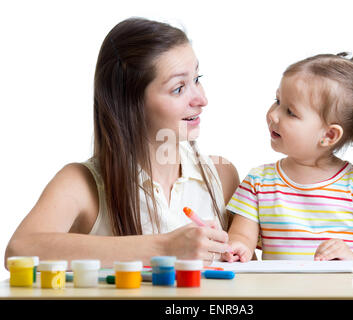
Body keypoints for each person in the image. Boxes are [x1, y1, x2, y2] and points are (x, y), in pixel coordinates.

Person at [4, 17, 239, 268]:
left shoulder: (221, 175)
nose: (202, 99)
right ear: (130, 102)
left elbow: (249, 273)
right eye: (178, 88)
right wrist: (165, 248)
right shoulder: (82, 183)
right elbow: (19, 249)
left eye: (197, 78)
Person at [222, 52, 353, 269]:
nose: (273, 115)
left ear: (329, 135)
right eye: (277, 101)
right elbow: (241, 234)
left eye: (290, 112)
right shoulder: (258, 181)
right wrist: (239, 247)